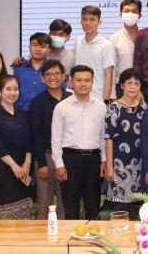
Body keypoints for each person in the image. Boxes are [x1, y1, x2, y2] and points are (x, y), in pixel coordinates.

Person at [52, 65, 107, 220]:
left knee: (93, 204)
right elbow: (56, 138)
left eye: (87, 80)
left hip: (93, 160)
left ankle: (92, 240)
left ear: (92, 82)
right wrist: (59, 165)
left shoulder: (101, 106)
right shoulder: (61, 107)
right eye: (79, 80)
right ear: (71, 82)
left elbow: (103, 135)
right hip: (71, 159)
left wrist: (103, 161)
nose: (83, 84)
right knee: (71, 205)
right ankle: (71, 242)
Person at [0, 76, 32, 219]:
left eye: (15, 89)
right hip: (4, 169)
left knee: (23, 216)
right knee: (4, 219)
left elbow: (30, 139)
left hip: (23, 169)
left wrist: (27, 162)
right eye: (8, 89)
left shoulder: (23, 114)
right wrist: (14, 166)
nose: (12, 93)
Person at [104, 69, 148, 220]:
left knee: (138, 208)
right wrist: (109, 165)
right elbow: (108, 138)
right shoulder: (114, 108)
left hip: (140, 165)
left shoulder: (143, 108)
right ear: (121, 85)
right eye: (129, 83)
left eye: (136, 83)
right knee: (119, 210)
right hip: (119, 165)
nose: (133, 86)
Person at [28, 60, 70, 220]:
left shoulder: (71, 99)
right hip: (46, 156)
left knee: (65, 202)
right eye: (48, 74)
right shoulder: (37, 102)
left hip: (68, 156)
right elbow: (35, 134)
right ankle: (41, 241)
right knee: (44, 202)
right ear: (42, 79)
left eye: (56, 73)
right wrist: (42, 164)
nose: (53, 77)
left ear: (64, 76)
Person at [11, 19, 76, 86]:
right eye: (54, 33)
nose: (57, 37)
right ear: (49, 34)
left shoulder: (72, 57)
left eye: (61, 34)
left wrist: (65, 78)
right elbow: (30, 72)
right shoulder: (38, 53)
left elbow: (74, 84)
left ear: (68, 38)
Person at [72, 6, 115, 103]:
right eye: (84, 19)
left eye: (92, 19)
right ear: (80, 21)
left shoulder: (106, 45)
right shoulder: (78, 41)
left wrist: (106, 100)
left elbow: (109, 75)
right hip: (77, 97)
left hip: (97, 98)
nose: (88, 23)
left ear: (99, 22)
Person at [109, 0, 142, 100]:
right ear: (120, 15)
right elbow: (111, 70)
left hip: (143, 89)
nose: (130, 14)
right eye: (126, 11)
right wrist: (112, 96)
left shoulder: (146, 37)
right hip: (121, 89)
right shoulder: (114, 39)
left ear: (139, 15)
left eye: (134, 11)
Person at [14, 32, 51, 111]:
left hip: (45, 114)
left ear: (48, 50)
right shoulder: (19, 68)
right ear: (29, 47)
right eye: (35, 45)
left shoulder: (51, 70)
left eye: (42, 46)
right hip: (21, 113)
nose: (38, 49)